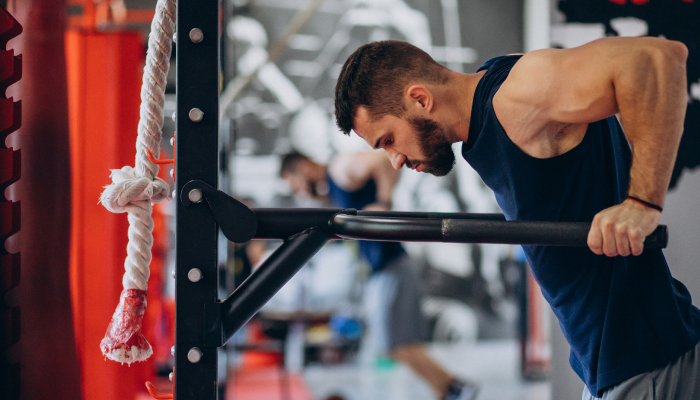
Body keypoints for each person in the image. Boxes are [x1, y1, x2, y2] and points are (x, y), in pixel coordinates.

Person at [333, 39, 700, 400]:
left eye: (388, 140)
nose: (394, 160)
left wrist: (642, 202)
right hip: (615, 359)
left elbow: (657, 60)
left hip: (642, 359)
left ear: (420, 98)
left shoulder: (514, 95)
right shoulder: (492, 92)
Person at [280, 151, 479, 400]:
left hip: (391, 264)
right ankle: (448, 388)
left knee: (394, 344)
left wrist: (384, 202)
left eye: (294, 183)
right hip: (382, 269)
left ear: (303, 168)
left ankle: (453, 387)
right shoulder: (332, 186)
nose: (299, 191)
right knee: (395, 344)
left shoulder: (340, 169)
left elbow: (380, 160)